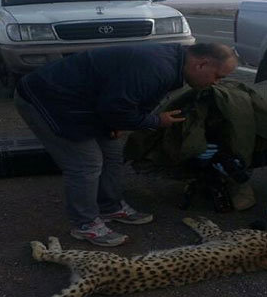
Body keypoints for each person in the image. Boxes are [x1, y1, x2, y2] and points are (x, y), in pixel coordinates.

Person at [15, 43, 238, 246]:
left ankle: (110, 206)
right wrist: (156, 121)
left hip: (89, 102)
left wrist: (123, 119)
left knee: (112, 152)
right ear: (202, 64)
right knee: (86, 163)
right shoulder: (157, 68)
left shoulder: (174, 63)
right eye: (217, 76)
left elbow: (123, 103)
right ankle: (85, 224)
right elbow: (116, 109)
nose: (216, 83)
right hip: (46, 99)